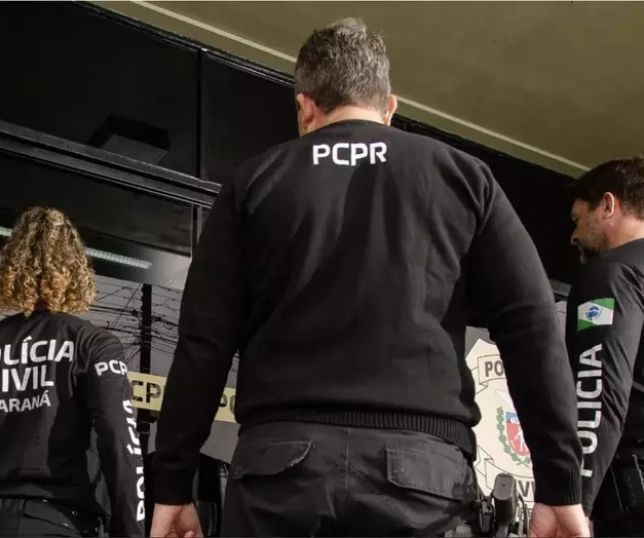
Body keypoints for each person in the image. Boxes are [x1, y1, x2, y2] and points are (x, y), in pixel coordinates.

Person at [151, 18, 588, 537]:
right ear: (390, 106)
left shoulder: (253, 184)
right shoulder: (463, 177)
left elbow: (203, 343)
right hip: (422, 476)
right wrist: (560, 484)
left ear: (305, 106)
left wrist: (172, 484)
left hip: (279, 472)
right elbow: (532, 326)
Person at [0, 207, 145, 537]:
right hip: (60, 521)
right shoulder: (92, 343)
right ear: (76, 269)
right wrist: (130, 531)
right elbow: (120, 442)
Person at [567, 157, 644, 536]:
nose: (574, 235)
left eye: (578, 219)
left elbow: (598, 389)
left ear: (608, 206)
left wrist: (575, 503)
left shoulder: (613, 272)